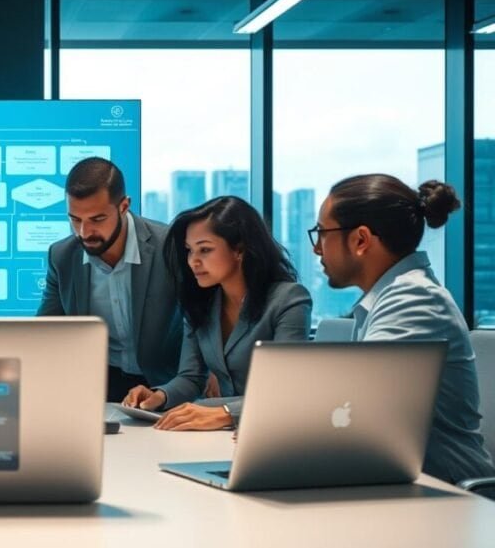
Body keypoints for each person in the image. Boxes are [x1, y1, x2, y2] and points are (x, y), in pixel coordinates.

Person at [310, 173, 495, 483]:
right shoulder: (389, 297)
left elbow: (355, 406)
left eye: (322, 233)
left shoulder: (414, 298)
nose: (317, 249)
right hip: (401, 485)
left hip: (448, 498)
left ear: (360, 240)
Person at [122, 196, 312, 430]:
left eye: (205, 250)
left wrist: (224, 413)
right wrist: (158, 395)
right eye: (190, 251)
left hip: (272, 432)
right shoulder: (202, 303)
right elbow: (191, 378)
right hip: (220, 435)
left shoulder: (289, 300)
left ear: (239, 249)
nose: (193, 261)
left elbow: (285, 392)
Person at [38, 157, 182, 401]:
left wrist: (200, 375)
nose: (84, 232)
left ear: (124, 206)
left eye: (97, 219)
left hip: (166, 382)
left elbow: (200, 320)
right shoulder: (62, 257)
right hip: (99, 386)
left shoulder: (169, 246)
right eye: (75, 219)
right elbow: (45, 332)